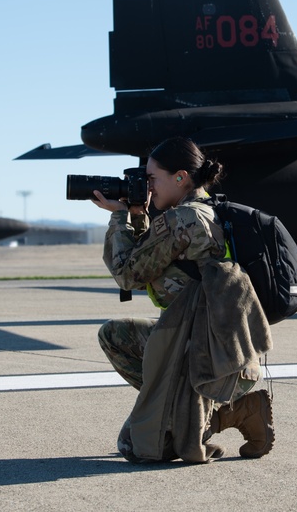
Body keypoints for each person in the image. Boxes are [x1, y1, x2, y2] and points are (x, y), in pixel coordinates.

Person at [92, 137, 274, 463]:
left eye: (151, 179)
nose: (147, 188)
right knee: (114, 335)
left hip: (201, 351)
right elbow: (153, 257)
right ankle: (195, 416)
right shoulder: (212, 211)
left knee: (138, 446)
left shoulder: (182, 220)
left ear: (180, 177)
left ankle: (230, 414)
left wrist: (119, 217)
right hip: (226, 350)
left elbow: (128, 274)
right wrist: (137, 214)